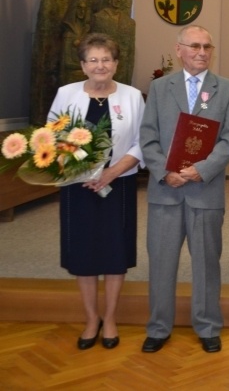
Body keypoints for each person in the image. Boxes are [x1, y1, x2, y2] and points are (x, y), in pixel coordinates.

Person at [139, 25, 229, 354]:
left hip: (205, 192)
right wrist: (163, 170)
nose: (201, 52)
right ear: (179, 49)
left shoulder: (228, 90)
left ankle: (208, 326)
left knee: (207, 263)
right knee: (161, 262)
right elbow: (148, 135)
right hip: (165, 192)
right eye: (194, 46)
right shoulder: (159, 88)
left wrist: (203, 169)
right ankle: (158, 327)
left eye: (207, 47)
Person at [48, 33, 145, 350]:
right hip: (78, 187)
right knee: (84, 253)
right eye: (93, 59)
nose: (100, 65)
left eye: (106, 59)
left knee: (114, 254)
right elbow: (52, 135)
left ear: (116, 64)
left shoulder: (132, 96)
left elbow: (143, 141)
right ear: (83, 65)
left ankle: (111, 318)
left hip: (119, 184)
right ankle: (91, 319)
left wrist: (113, 172)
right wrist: (80, 169)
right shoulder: (66, 94)